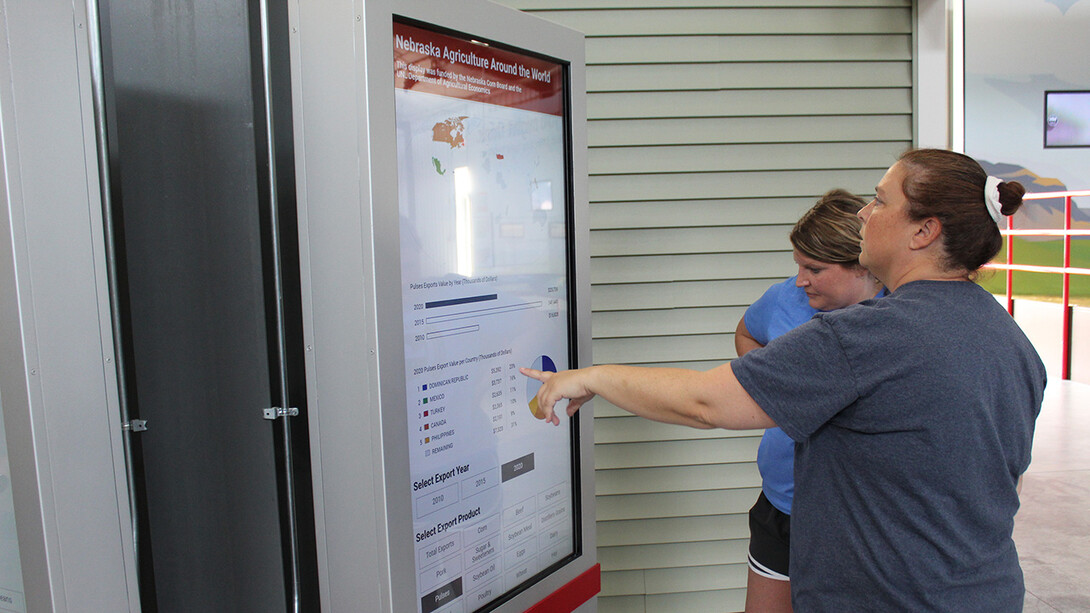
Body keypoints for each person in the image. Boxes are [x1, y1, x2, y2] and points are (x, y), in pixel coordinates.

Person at [523, 149, 1046, 611]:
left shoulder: (865, 337)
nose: (864, 212)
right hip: (987, 592)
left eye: (880, 200)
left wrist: (589, 377)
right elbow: (1003, 484)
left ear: (923, 230)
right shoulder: (1011, 342)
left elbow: (704, 403)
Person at [736, 189, 884, 613]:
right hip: (782, 504)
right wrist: (779, 389)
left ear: (862, 265)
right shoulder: (786, 298)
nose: (801, 279)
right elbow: (746, 333)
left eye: (814, 268)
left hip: (859, 520)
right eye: (798, 265)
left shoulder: (900, 319)